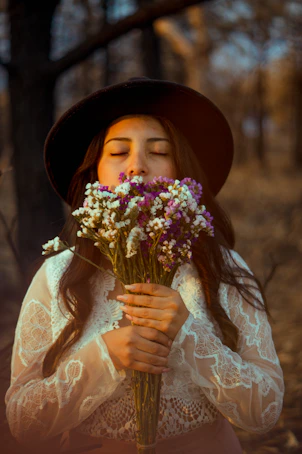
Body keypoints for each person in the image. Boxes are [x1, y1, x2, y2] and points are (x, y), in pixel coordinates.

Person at [5, 78, 284, 454]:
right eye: (118, 153)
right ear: (94, 174)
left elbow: (265, 410)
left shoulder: (223, 268)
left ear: (182, 168)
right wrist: (105, 355)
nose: (136, 167)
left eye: (159, 151)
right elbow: (23, 423)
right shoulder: (59, 276)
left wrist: (188, 333)